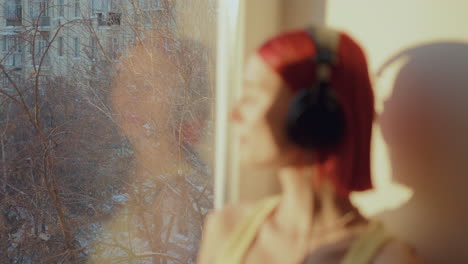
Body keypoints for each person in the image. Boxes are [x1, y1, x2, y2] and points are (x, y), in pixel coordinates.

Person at [196, 26, 421, 264]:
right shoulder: (225, 229)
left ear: (311, 111)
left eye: (252, 95)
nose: (233, 114)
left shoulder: (387, 259)